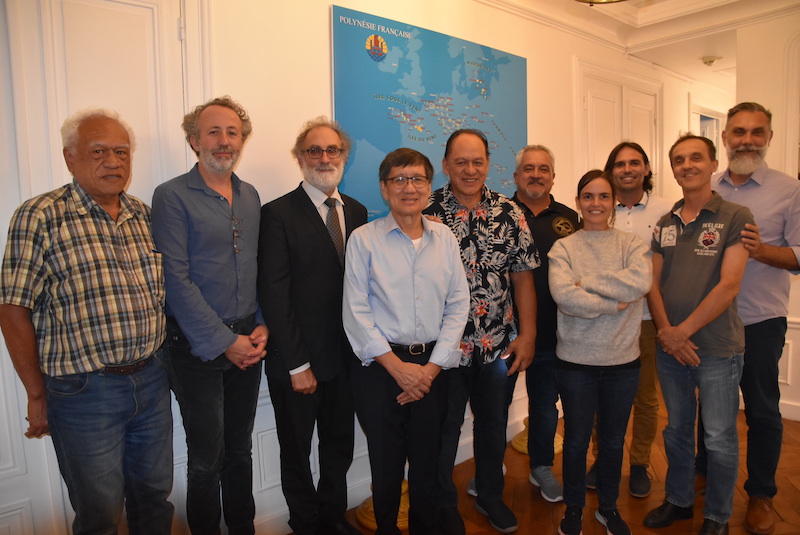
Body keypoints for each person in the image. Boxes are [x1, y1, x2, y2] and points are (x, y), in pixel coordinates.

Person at [0, 109, 173, 534]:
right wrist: (36, 393)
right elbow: (12, 309)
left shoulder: (143, 215)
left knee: (154, 497)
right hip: (83, 392)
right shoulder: (40, 215)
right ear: (70, 158)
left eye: (121, 152)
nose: (113, 162)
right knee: (100, 512)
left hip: (151, 381)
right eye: (98, 152)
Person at [152, 96, 268, 535]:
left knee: (240, 451)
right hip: (196, 349)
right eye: (213, 132)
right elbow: (175, 279)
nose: (224, 141)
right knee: (206, 459)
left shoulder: (250, 195)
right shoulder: (171, 196)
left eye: (232, 132)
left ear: (242, 140)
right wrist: (225, 341)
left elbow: (255, 266)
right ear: (194, 140)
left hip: (247, 342)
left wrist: (261, 323)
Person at [343, 147, 470, 535]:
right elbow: (356, 311)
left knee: (428, 463)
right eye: (398, 179)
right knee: (386, 464)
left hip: (433, 369)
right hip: (381, 370)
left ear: (429, 187)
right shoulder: (364, 240)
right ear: (384, 189)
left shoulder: (444, 238)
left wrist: (429, 370)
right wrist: (398, 369)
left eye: (417, 179)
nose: (408, 188)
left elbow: (458, 305)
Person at [425, 129, 539, 535]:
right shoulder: (426, 211)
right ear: (446, 165)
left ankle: (490, 495)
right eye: (461, 162)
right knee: (444, 429)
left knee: (493, 425)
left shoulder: (510, 212)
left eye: (477, 162)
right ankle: (442, 505)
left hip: (498, 347)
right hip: (445, 349)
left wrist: (528, 335)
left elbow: (523, 278)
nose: (470, 170)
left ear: (488, 164)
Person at [258, 116, 367, 535]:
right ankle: (304, 523)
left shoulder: (356, 211)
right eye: (314, 150)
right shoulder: (277, 213)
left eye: (332, 150)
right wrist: (297, 364)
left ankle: (332, 517)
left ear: (344, 156)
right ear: (300, 158)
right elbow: (274, 294)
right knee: (297, 452)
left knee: (339, 446)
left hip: (347, 360)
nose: (324, 158)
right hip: (299, 363)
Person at [644, 134, 753, 535]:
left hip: (717, 349)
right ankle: (679, 501)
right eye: (679, 160)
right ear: (672, 169)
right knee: (675, 430)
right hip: (671, 348)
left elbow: (729, 285)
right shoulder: (666, 222)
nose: (687, 165)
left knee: (719, 437)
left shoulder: (736, 216)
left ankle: (718, 516)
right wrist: (666, 333)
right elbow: (652, 283)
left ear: (713, 164)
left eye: (695, 158)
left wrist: (681, 333)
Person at [710, 102, 799, 535]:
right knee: (711, 407)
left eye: (756, 132)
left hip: (760, 320)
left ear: (769, 137)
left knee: (761, 410)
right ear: (725, 137)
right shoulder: (706, 186)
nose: (747, 140)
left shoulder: (790, 190)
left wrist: (760, 250)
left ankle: (761, 494)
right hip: (711, 319)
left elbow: (799, 256)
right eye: (739, 132)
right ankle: (706, 477)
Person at [549, 169, 651, 535]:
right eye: (588, 196)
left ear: (614, 201)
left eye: (604, 196)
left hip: (622, 364)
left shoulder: (631, 244)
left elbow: (640, 282)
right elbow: (564, 296)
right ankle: (574, 509)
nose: (596, 203)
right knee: (576, 442)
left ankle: (608, 508)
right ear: (577, 202)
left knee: (612, 442)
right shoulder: (563, 248)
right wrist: (611, 303)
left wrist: (587, 283)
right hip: (575, 364)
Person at [582, 142, 673, 498]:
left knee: (646, 398)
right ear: (611, 170)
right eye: (619, 164)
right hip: (604, 318)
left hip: (648, 317)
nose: (627, 169)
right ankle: (602, 460)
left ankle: (639, 463)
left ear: (647, 168)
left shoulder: (667, 210)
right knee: (600, 397)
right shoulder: (600, 209)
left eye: (635, 163)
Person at [509, 144, 577, 503]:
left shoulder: (570, 219)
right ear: (516, 176)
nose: (536, 174)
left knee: (545, 406)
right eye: (529, 168)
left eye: (543, 169)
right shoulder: (500, 214)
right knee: (493, 408)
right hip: (503, 334)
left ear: (553, 176)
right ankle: (489, 470)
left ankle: (542, 466)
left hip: (554, 333)